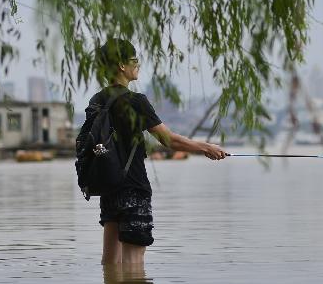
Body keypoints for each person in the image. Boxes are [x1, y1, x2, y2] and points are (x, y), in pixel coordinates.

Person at [89, 39, 227, 265]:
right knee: (133, 264)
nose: (138, 65)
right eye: (135, 60)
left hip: (108, 187)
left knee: (110, 263)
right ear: (122, 66)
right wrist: (206, 147)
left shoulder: (96, 101)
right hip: (133, 186)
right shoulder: (135, 101)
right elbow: (169, 140)